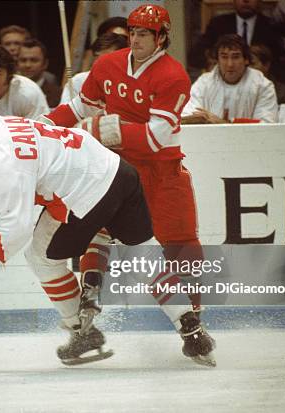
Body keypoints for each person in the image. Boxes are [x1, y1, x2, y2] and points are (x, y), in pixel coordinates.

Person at [40, 4, 216, 367]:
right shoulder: (107, 65)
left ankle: (194, 329)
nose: (136, 39)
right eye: (133, 32)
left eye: (144, 33)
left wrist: (110, 128)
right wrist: (42, 125)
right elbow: (78, 107)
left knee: (181, 249)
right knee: (95, 234)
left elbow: (156, 137)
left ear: (162, 36)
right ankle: (85, 324)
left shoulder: (173, 76)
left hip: (161, 175)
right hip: (115, 171)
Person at [0, 115, 154, 365]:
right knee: (144, 255)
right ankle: (189, 325)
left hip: (83, 192)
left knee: (40, 260)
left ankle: (82, 330)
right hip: (113, 169)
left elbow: (18, 228)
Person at [182, 34, 278, 123]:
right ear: (217, 60)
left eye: (235, 57)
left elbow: (266, 126)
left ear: (246, 60)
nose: (230, 64)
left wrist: (221, 123)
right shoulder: (204, 83)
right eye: (224, 57)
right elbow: (187, 116)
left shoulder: (263, 85)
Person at [189, 0, 282, 71]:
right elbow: (196, 55)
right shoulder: (218, 24)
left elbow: (278, 62)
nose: (245, 0)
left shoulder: (271, 26)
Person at [60, 33, 128, 104]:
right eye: (97, 58)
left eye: (107, 59)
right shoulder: (78, 81)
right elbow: (63, 112)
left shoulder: (131, 84)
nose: (100, 64)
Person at [18, 39, 62, 107]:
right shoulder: (8, 92)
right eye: (23, 60)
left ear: (45, 64)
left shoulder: (58, 95)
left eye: (34, 60)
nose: (28, 65)